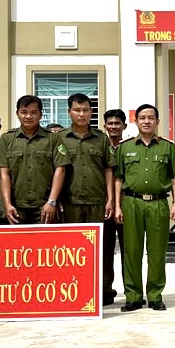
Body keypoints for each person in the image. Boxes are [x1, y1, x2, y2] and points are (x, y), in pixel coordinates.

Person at [114, 103, 175, 311]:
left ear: (157, 121)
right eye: (142, 117)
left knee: (156, 251)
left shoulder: (167, 147)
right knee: (132, 250)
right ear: (136, 121)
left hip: (158, 203)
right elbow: (118, 178)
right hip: (131, 202)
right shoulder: (125, 148)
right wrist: (117, 206)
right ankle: (133, 296)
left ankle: (154, 295)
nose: (146, 121)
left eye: (150, 118)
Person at [0, 95, 69, 224]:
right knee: (17, 244)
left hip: (44, 207)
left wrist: (51, 202)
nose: (28, 116)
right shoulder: (7, 139)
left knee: (46, 243)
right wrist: (7, 204)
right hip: (16, 207)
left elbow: (61, 170)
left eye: (33, 113)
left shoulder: (52, 139)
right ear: (17, 114)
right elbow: (4, 175)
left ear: (41, 114)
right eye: (24, 112)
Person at [60, 91, 116, 242]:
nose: (81, 114)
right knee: (71, 244)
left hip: (96, 201)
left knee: (96, 244)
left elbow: (108, 169)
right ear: (69, 112)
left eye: (85, 110)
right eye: (77, 110)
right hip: (69, 201)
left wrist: (110, 199)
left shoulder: (102, 138)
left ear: (91, 112)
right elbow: (56, 171)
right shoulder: (59, 138)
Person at [101, 108, 128, 305]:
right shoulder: (100, 145)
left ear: (124, 126)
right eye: (110, 123)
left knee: (129, 249)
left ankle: (132, 290)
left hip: (127, 204)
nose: (113, 127)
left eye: (117, 123)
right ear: (104, 126)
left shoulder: (130, 147)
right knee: (105, 250)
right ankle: (105, 290)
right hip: (104, 205)